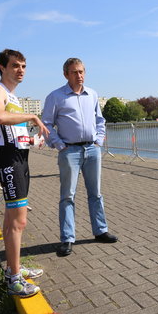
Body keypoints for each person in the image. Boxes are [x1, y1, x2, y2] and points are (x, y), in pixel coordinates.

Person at [0, 49, 49, 297]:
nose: (20, 70)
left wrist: (31, 141)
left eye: (23, 66)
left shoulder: (13, 96)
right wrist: (33, 115)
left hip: (20, 157)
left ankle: (15, 267)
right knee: (19, 220)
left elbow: (15, 132)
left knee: (13, 218)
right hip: (8, 160)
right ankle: (13, 279)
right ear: (2, 67)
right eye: (15, 66)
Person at [42, 58, 118, 257]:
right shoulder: (56, 97)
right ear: (66, 74)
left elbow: (100, 120)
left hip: (92, 150)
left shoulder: (92, 94)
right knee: (68, 196)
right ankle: (67, 238)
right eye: (75, 72)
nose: (79, 76)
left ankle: (100, 231)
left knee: (96, 193)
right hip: (70, 152)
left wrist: (98, 140)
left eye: (82, 71)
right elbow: (46, 124)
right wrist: (59, 145)